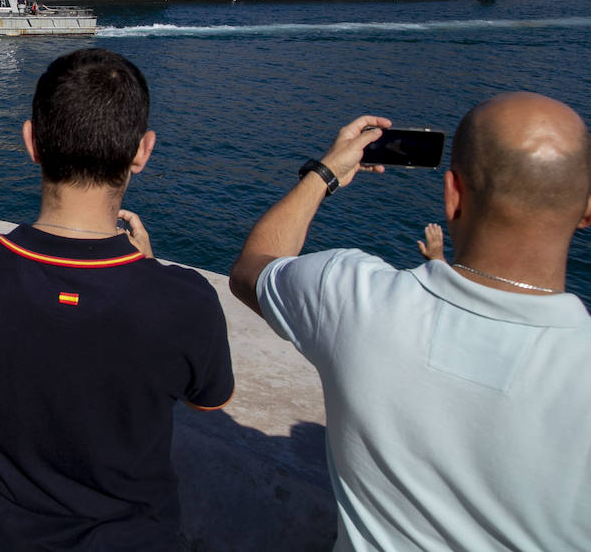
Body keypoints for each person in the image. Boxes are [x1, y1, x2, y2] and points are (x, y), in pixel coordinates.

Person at [0, 48, 234, 550]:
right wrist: (148, 275)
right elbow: (207, 400)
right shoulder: (186, 301)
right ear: (142, 152)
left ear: (31, 142)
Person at [230, 94, 591, 550]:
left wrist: (325, 174)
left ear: (452, 194)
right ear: (587, 209)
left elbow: (252, 268)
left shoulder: (351, 295)